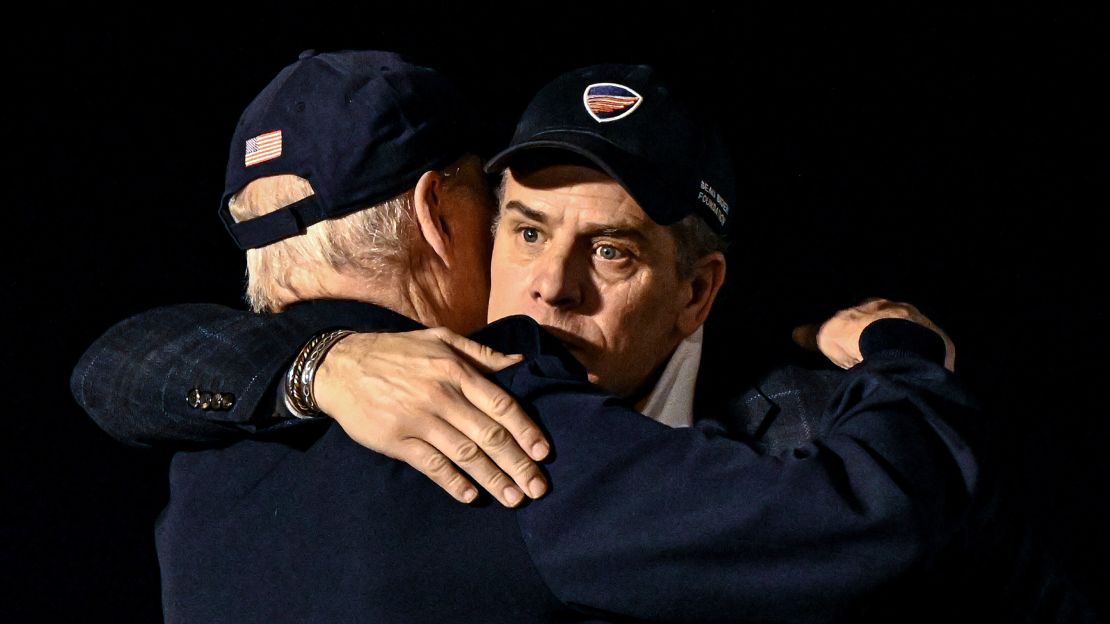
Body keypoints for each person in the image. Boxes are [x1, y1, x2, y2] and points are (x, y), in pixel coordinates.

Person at [70, 50, 1033, 622]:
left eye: (609, 251)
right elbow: (872, 514)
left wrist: (315, 365)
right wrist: (905, 358)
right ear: (448, 219)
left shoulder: (205, 465)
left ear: (698, 293)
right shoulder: (508, 421)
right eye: (522, 227)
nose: (548, 286)